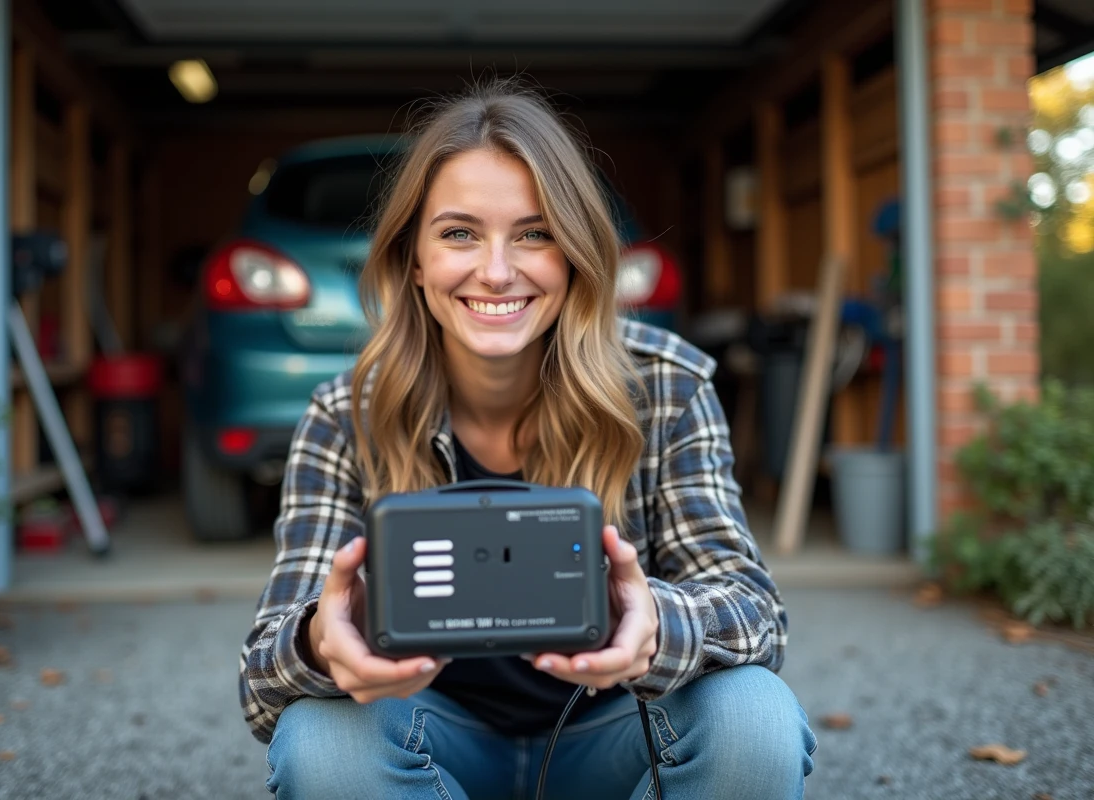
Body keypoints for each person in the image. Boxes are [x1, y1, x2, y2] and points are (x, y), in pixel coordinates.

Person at [239, 81, 817, 800]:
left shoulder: (666, 387)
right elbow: (262, 680)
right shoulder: (343, 416)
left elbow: (754, 611)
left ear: (575, 253)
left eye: (534, 233)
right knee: (320, 740)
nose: (497, 270)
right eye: (458, 234)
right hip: (429, 747)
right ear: (413, 262)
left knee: (753, 717)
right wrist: (321, 641)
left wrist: (652, 624)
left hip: (618, 735)